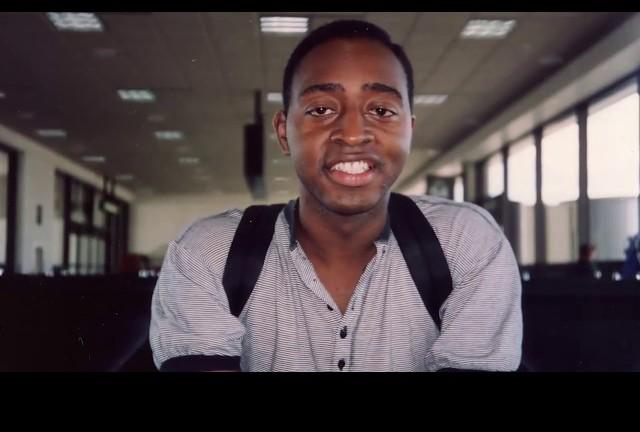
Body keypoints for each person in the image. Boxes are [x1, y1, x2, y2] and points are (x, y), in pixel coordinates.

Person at [149, 19, 522, 372]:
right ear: (283, 132)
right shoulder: (207, 254)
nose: (353, 133)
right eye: (322, 109)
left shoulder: (465, 243)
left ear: (409, 130)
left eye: (380, 110)